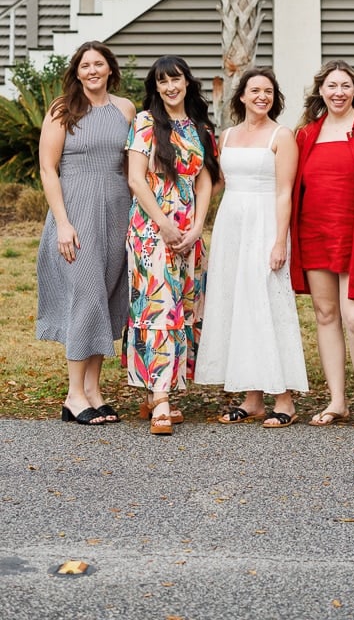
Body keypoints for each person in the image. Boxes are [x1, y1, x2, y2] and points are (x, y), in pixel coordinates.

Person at [195, 68, 308, 428]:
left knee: (267, 305)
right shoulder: (225, 136)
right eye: (255, 90)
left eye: (269, 91)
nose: (262, 96)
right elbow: (216, 184)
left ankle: (285, 399)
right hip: (232, 225)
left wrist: (279, 240)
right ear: (241, 96)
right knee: (237, 305)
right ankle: (252, 398)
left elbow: (284, 191)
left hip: (265, 224)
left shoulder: (282, 135)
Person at [37, 41, 135, 425]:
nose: (92, 70)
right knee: (86, 295)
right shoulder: (63, 110)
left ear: (110, 69)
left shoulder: (125, 109)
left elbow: (133, 165)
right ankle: (73, 396)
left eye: (99, 64)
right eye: (85, 65)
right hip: (76, 209)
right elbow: (48, 168)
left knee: (108, 296)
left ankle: (93, 390)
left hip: (116, 210)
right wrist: (62, 222)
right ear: (76, 72)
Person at [290, 60, 354, 429]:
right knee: (325, 315)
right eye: (331, 86)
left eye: (345, 86)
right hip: (313, 232)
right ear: (321, 91)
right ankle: (337, 401)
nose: (338, 92)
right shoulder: (306, 134)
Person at [124, 55, 220, 435]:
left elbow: (205, 181)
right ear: (156, 87)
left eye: (175, 79)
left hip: (188, 233)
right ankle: (162, 399)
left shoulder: (200, 127)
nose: (170, 87)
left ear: (186, 82)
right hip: (151, 231)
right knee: (157, 305)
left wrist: (197, 227)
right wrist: (163, 224)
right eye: (162, 81)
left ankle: (154, 392)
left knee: (180, 307)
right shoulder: (145, 123)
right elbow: (135, 179)